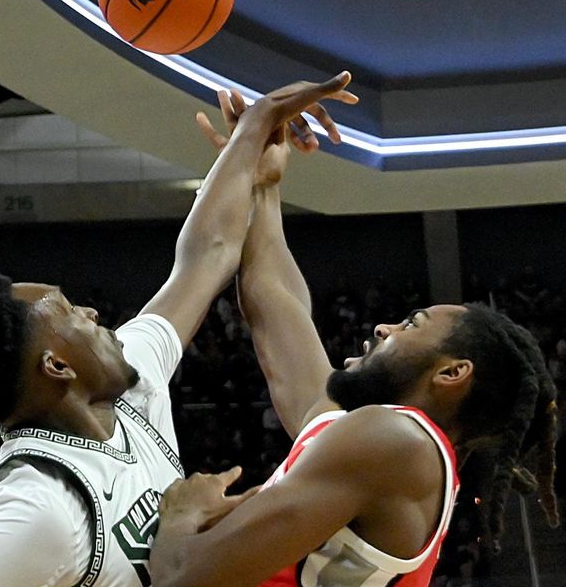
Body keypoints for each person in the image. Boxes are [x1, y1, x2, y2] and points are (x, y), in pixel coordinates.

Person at [0, 72, 358, 587]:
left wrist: (253, 142)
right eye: (67, 312)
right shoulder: (35, 507)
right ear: (58, 366)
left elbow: (206, 255)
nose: (90, 313)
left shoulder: (126, 380)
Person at [150, 89, 561, 587]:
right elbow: (271, 298)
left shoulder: (397, 443)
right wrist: (260, 180)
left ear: (452, 373)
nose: (381, 328)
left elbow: (180, 577)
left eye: (408, 325)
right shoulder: (377, 440)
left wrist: (180, 516)